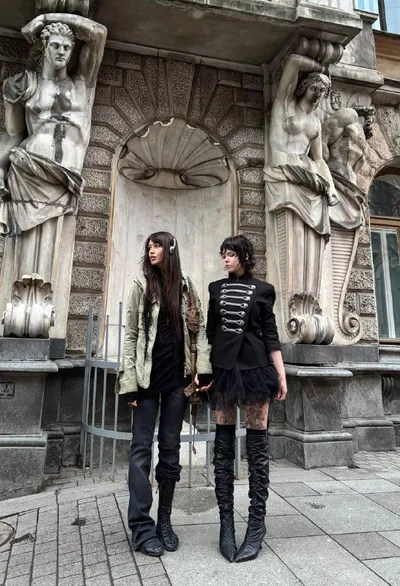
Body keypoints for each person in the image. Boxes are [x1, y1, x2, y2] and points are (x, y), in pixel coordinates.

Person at [116, 231, 212, 558]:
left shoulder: (186, 287)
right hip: (145, 380)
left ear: (170, 249)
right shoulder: (140, 286)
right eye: (149, 246)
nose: (151, 250)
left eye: (157, 245)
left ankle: (165, 522)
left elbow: (199, 333)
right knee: (140, 451)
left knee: (170, 450)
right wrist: (128, 382)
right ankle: (141, 528)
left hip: (178, 381)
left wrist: (202, 370)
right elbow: (131, 336)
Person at [206, 234, 287, 563]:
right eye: (223, 254)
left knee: (256, 450)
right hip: (224, 372)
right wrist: (206, 372)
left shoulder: (264, 290)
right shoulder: (215, 289)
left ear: (244, 256)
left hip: (256, 371)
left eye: (230, 254)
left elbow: (271, 336)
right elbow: (211, 332)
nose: (225, 259)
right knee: (223, 448)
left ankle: (256, 527)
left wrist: (281, 375)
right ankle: (226, 525)